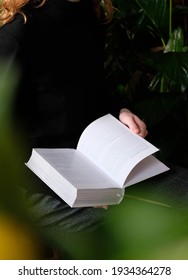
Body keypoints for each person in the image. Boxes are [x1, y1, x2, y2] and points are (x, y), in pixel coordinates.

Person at [0, 0, 188, 259]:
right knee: (140, 241)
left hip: (97, 160)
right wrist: (72, 188)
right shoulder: (16, 32)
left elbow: (89, 89)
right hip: (30, 180)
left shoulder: (87, 12)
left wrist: (120, 111)